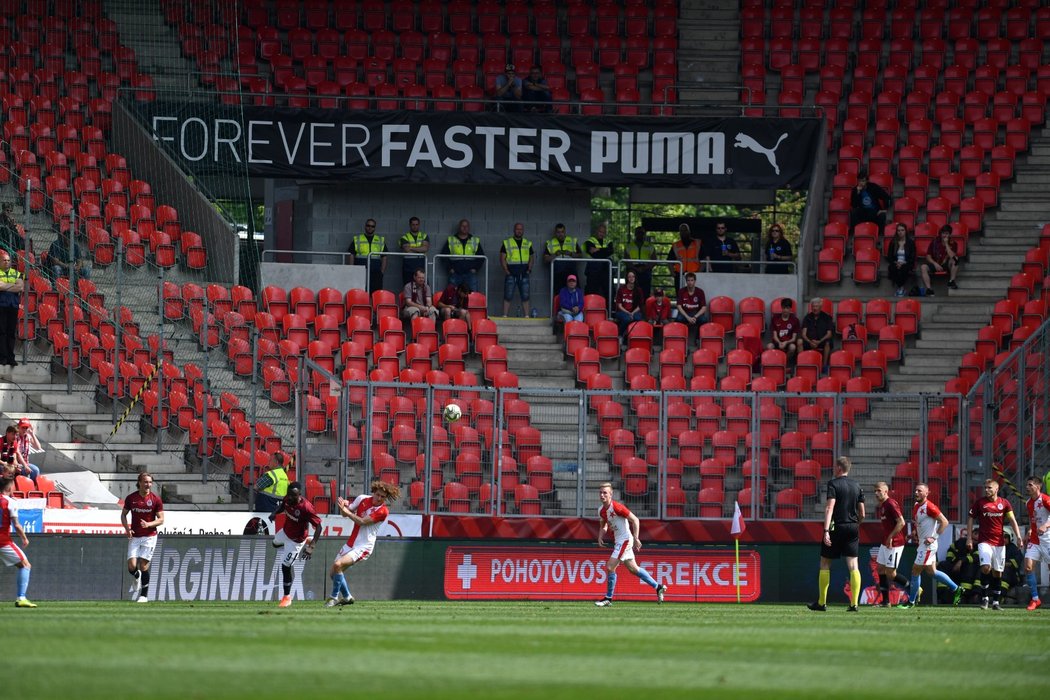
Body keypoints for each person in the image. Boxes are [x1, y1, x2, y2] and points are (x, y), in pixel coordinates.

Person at [326, 479, 401, 607]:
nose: (379, 498)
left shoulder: (383, 511)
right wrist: (344, 505)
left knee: (338, 565)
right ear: (373, 492)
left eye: (382, 497)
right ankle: (348, 597)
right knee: (333, 573)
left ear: (386, 498)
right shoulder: (362, 498)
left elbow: (362, 521)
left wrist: (348, 511)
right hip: (351, 543)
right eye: (377, 494)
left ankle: (333, 598)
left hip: (364, 546)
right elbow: (345, 514)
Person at [594, 482, 667, 606]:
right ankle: (658, 586)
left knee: (610, 566)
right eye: (600, 492)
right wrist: (600, 537)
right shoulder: (601, 510)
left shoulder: (617, 507)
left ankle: (608, 598)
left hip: (625, 540)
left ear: (611, 494)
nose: (602, 495)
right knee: (634, 569)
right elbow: (604, 525)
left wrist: (636, 538)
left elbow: (635, 520)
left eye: (605, 492)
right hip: (619, 541)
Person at [808, 456, 865, 612]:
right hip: (853, 527)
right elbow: (863, 513)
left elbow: (829, 508)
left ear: (839, 468)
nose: (833, 469)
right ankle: (854, 604)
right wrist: (855, 524)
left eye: (834, 467)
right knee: (853, 565)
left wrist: (826, 530)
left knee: (825, 563)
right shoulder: (857, 485)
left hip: (836, 527)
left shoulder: (833, 484)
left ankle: (822, 603)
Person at [898, 483, 963, 608]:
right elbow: (920, 523)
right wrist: (913, 533)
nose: (916, 493)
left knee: (915, 570)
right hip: (923, 543)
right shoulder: (917, 506)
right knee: (932, 572)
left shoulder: (930, 507)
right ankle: (956, 589)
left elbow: (944, 521)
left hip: (928, 546)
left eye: (920, 491)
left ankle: (911, 602)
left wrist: (934, 537)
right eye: (916, 490)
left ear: (927, 493)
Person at [966, 479, 1023, 610]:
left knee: (998, 573)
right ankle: (985, 598)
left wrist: (1019, 536)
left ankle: (996, 603)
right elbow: (970, 518)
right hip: (984, 542)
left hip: (999, 543)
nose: (986, 490)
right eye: (985, 488)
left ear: (996, 489)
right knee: (986, 567)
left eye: (989, 488)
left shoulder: (1004, 503)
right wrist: (969, 538)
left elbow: (1012, 520)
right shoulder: (980, 503)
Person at [269, 480, 323, 608]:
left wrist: (312, 547)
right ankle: (306, 540)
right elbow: (283, 505)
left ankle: (287, 598)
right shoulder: (287, 499)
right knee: (274, 544)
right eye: (289, 494)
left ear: (299, 495)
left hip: (296, 541)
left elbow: (319, 527)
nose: (290, 497)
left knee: (285, 566)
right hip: (285, 532)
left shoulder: (306, 508)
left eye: (294, 495)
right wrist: (274, 513)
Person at [121, 471, 164, 603]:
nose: (148, 484)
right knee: (131, 566)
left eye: (150, 482)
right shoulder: (131, 498)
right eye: (145, 482)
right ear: (139, 482)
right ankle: (136, 575)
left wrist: (149, 524)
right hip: (135, 536)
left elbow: (161, 519)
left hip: (149, 536)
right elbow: (123, 515)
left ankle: (143, 596)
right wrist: (127, 529)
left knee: (144, 566)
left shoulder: (155, 499)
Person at [872, 481, 909, 607]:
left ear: (886, 491)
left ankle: (913, 588)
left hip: (895, 543)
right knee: (880, 569)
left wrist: (891, 537)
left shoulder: (891, 504)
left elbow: (901, 522)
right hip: (886, 542)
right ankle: (885, 602)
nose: (876, 493)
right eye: (875, 491)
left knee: (891, 573)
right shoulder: (883, 505)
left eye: (879, 490)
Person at [0, 476, 35, 607]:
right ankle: (21, 598)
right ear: (9, 487)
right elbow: (17, 524)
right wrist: (24, 538)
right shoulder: (10, 502)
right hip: (2, 540)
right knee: (25, 565)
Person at [1022, 476, 1050, 611]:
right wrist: (1029, 530)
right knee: (1028, 566)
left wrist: (1046, 525)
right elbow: (1032, 519)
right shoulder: (1028, 503)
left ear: (1037, 487)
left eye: (1030, 485)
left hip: (1048, 539)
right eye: (1027, 485)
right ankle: (1035, 599)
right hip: (1034, 539)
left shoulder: (1045, 499)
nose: (1027, 487)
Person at [500, 222, 534, 317]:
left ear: (523, 231)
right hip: (511, 273)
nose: (519, 231)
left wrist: (529, 269)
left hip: (524, 273)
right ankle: (505, 315)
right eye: (517, 229)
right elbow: (502, 257)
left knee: (526, 295)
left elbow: (532, 257)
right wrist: (506, 271)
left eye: (521, 229)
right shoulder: (507, 243)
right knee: (508, 295)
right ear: (514, 230)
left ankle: (527, 316)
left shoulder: (527, 243)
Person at [440, 219, 484, 292]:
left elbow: (481, 257)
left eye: (466, 226)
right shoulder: (451, 240)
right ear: (459, 227)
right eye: (462, 226)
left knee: (473, 295)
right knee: (452, 295)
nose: (464, 227)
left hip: (470, 274)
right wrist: (450, 269)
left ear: (469, 227)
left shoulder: (475, 240)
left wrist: (475, 268)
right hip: (455, 273)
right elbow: (443, 256)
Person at [941, 525, 980, 603]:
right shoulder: (961, 541)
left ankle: (962, 597)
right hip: (956, 567)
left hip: (970, 571)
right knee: (943, 565)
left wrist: (961, 562)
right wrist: (950, 561)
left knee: (969, 567)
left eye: (979, 534)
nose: (976, 536)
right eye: (975, 533)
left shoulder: (980, 546)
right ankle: (942, 594)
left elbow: (975, 557)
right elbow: (951, 549)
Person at [348, 218, 387, 295]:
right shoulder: (357, 239)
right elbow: (351, 254)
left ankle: (372, 307)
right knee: (360, 292)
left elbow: (384, 256)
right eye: (368, 225)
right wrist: (351, 269)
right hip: (360, 271)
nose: (370, 227)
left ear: (375, 228)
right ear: (365, 226)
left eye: (372, 226)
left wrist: (382, 271)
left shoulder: (380, 240)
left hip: (375, 271)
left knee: (375, 293)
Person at [0, 250, 23, 379]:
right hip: (1, 305)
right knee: (1, 332)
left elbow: (20, 287)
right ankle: (2, 357)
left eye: (8, 260)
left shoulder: (16, 273)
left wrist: (5, 286)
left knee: (11, 333)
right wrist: (11, 285)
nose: (7, 262)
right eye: (4, 260)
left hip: (13, 306)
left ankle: (10, 357)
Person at [919, 225, 960, 296]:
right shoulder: (934, 242)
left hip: (946, 264)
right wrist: (935, 264)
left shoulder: (953, 243)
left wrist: (946, 244)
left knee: (955, 259)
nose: (944, 235)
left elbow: (952, 256)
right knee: (923, 267)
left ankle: (951, 281)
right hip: (936, 263)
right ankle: (929, 289)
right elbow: (928, 256)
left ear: (950, 234)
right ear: (940, 233)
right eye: (943, 233)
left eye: (946, 233)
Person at [672, 272, 708, 348]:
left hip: (696, 313)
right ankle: (681, 339)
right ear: (686, 281)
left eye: (692, 280)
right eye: (688, 280)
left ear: (695, 281)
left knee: (704, 320)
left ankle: (698, 339)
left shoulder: (700, 292)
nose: (690, 282)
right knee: (678, 319)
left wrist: (695, 317)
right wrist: (687, 317)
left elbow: (704, 307)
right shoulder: (681, 291)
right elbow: (679, 306)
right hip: (685, 313)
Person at [544, 223, 581, 293]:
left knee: (574, 292)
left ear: (565, 232)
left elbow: (580, 255)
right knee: (558, 294)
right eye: (558, 232)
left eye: (562, 232)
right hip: (558, 273)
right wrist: (555, 254)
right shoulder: (550, 243)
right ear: (555, 233)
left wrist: (570, 253)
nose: (560, 234)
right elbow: (545, 260)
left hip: (571, 272)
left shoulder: (572, 241)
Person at [801, 298, 834, 369]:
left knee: (828, 343)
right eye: (813, 306)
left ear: (820, 307)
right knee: (799, 342)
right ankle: (802, 364)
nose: (814, 308)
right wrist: (810, 342)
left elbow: (829, 334)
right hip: (809, 341)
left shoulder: (827, 317)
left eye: (816, 306)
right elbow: (803, 334)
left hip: (821, 341)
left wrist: (819, 342)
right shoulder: (807, 317)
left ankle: (824, 365)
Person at [623, 226, 656, 297]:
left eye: (642, 233)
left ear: (644, 234)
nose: (640, 234)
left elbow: (654, 260)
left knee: (645, 292)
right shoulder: (629, 246)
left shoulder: (650, 246)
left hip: (646, 269)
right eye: (638, 233)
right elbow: (626, 260)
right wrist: (635, 269)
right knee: (631, 291)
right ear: (635, 234)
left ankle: (644, 306)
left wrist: (645, 268)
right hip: (632, 269)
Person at [885, 223, 917, 297]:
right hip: (896, 263)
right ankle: (901, 288)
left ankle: (900, 288)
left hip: (907, 263)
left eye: (902, 230)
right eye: (898, 230)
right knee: (892, 268)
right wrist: (896, 262)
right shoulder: (893, 242)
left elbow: (913, 257)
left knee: (904, 268)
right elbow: (889, 256)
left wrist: (903, 263)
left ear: (905, 231)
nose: (900, 232)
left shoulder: (910, 243)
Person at [584, 222, 615, 297]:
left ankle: (609, 308)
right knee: (591, 291)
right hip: (593, 271)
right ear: (596, 231)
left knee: (608, 292)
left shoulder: (608, 242)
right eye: (600, 231)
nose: (602, 234)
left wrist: (597, 249)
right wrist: (604, 250)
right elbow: (592, 252)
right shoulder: (589, 241)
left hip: (605, 271)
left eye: (604, 232)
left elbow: (610, 251)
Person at [398, 216, 429, 287]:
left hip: (420, 265)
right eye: (413, 224)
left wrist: (411, 247)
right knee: (408, 287)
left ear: (419, 225)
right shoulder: (404, 237)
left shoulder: (424, 236)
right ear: (410, 225)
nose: (415, 226)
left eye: (416, 224)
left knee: (423, 287)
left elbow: (425, 248)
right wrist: (419, 249)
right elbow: (407, 250)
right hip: (408, 266)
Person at [767, 298, 801, 363]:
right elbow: (774, 336)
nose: (785, 310)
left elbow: (794, 338)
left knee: (793, 347)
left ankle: (784, 362)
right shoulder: (775, 318)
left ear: (790, 309)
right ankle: (775, 362)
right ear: (781, 308)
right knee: (769, 346)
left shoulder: (795, 320)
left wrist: (786, 342)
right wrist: (779, 342)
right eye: (784, 308)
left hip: (788, 342)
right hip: (777, 342)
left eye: (787, 308)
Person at [613, 269, 644, 339]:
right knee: (627, 319)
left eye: (633, 276)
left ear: (635, 278)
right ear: (627, 278)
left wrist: (632, 313)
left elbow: (640, 305)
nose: (631, 278)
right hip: (622, 311)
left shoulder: (638, 290)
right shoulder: (621, 289)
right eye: (629, 277)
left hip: (634, 311)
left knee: (638, 318)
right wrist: (628, 312)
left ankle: (629, 335)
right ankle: (620, 335)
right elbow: (619, 305)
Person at [12, 418, 40, 487]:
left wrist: (32, 434)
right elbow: (17, 453)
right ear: (19, 427)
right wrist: (25, 466)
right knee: (29, 470)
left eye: (26, 427)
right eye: (23, 427)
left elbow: (38, 447)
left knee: (35, 470)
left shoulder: (28, 436)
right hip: (16, 463)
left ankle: (32, 487)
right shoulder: (15, 437)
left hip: (25, 463)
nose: (24, 429)